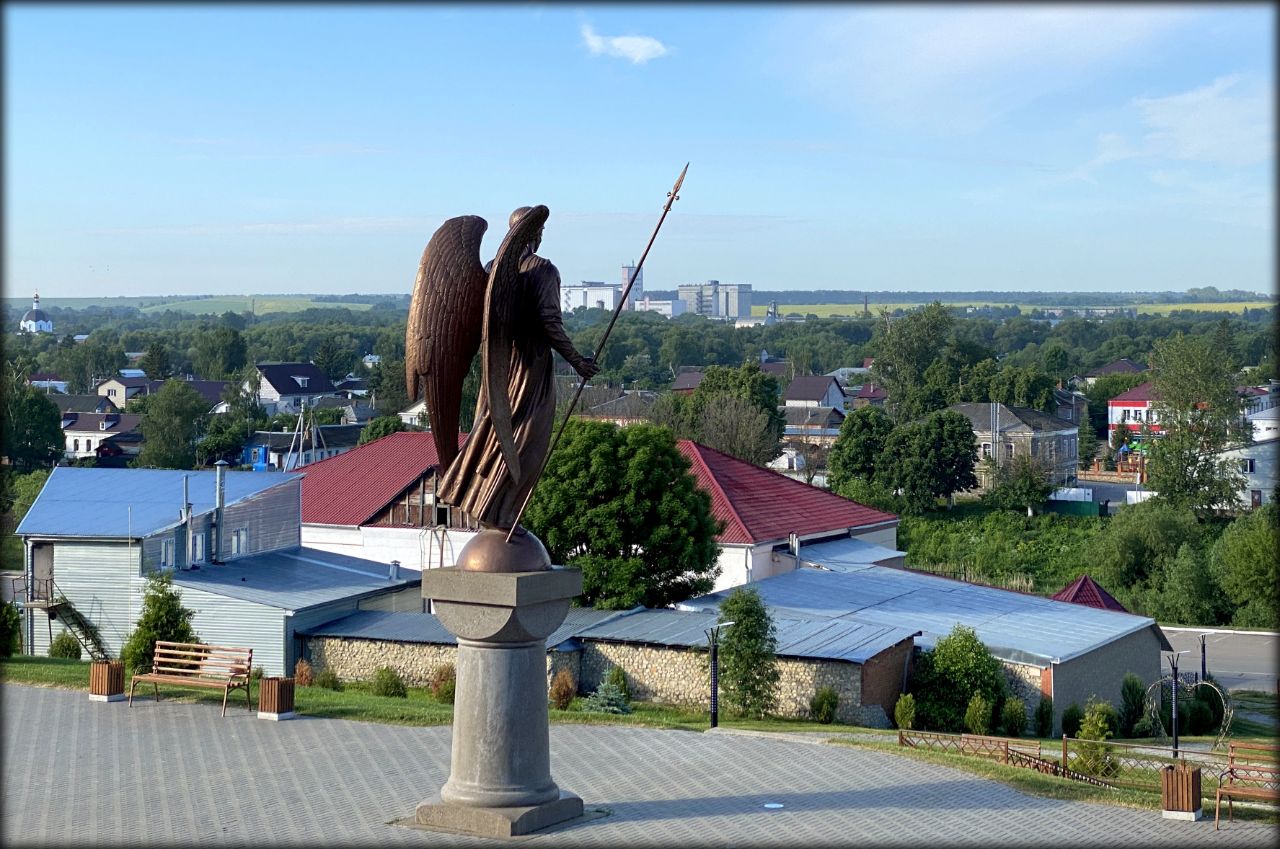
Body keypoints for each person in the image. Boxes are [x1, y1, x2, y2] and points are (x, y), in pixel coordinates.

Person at [437, 207, 600, 530]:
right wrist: (578, 361)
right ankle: (500, 511)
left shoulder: (490, 269)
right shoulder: (543, 270)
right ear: (535, 235)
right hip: (529, 372)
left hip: (496, 368)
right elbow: (550, 323)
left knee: (491, 432)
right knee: (527, 442)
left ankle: (486, 504)